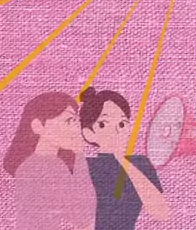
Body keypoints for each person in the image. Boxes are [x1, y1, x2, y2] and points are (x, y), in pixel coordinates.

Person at [3, 91, 97, 230]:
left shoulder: (55, 163)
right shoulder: (33, 168)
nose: (75, 128)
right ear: (38, 126)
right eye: (68, 121)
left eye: (75, 121)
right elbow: (82, 216)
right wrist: (79, 155)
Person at [79, 86, 170, 230]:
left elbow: (161, 212)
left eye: (122, 124)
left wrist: (122, 159)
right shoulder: (85, 166)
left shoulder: (140, 163)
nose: (116, 130)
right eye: (103, 124)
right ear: (89, 134)